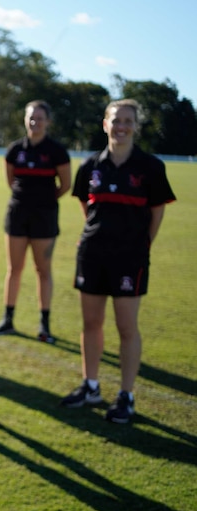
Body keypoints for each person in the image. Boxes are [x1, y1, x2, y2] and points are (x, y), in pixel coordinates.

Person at [60, 99, 175, 424]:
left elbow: (156, 213)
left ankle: (126, 395)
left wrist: (139, 246)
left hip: (130, 259)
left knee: (126, 327)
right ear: (105, 124)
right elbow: (88, 208)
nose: (121, 126)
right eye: (116, 120)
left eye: (127, 121)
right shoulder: (90, 165)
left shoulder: (150, 167)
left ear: (135, 126)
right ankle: (91, 385)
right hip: (92, 255)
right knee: (91, 324)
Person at [0, 101, 71, 343]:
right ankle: (8, 319)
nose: (35, 122)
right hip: (17, 215)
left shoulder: (57, 151)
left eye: (40, 118)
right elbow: (11, 182)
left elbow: (65, 185)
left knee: (42, 270)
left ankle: (44, 325)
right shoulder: (15, 150)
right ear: (25, 120)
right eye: (31, 117)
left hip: (44, 218)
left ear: (48, 121)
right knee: (14, 269)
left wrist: (44, 201)